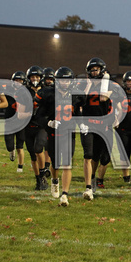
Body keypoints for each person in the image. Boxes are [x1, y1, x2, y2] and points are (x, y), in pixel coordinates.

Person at [34, 67, 81, 206]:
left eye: (67, 80)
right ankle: (55, 180)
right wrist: (48, 122)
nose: (65, 83)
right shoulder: (49, 95)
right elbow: (39, 116)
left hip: (69, 133)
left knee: (67, 164)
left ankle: (65, 195)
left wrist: (83, 123)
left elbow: (79, 113)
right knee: (55, 164)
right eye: (62, 80)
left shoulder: (75, 96)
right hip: (53, 134)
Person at [79, 57, 112, 200]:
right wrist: (87, 86)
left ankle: (93, 177)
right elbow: (80, 99)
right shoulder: (83, 84)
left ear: (102, 71)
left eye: (96, 70)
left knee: (98, 155)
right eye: (92, 70)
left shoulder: (109, 85)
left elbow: (104, 98)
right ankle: (88, 187)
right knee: (88, 154)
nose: (94, 72)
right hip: (86, 123)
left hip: (102, 124)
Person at [24, 65, 49, 190]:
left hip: (41, 126)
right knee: (33, 155)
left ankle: (43, 172)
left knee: (38, 148)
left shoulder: (46, 91)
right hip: (28, 126)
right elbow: (20, 112)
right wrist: (28, 114)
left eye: (37, 76)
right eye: (32, 77)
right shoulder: (24, 91)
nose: (35, 79)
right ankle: (39, 179)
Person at [4, 71, 27, 173]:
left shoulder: (26, 92)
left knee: (20, 145)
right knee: (9, 145)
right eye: (16, 80)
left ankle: (20, 166)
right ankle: (11, 150)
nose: (18, 82)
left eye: (20, 80)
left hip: (20, 121)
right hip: (9, 120)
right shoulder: (8, 90)